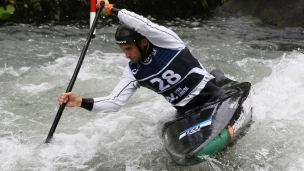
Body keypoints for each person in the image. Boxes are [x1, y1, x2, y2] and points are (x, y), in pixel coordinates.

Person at [58, 0, 228, 115]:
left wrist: (111, 9)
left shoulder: (167, 42)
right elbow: (114, 102)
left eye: (129, 48)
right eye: (123, 50)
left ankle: (218, 79)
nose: (127, 55)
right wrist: (80, 101)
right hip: (185, 111)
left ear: (144, 42)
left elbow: (143, 25)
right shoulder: (133, 71)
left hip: (212, 96)